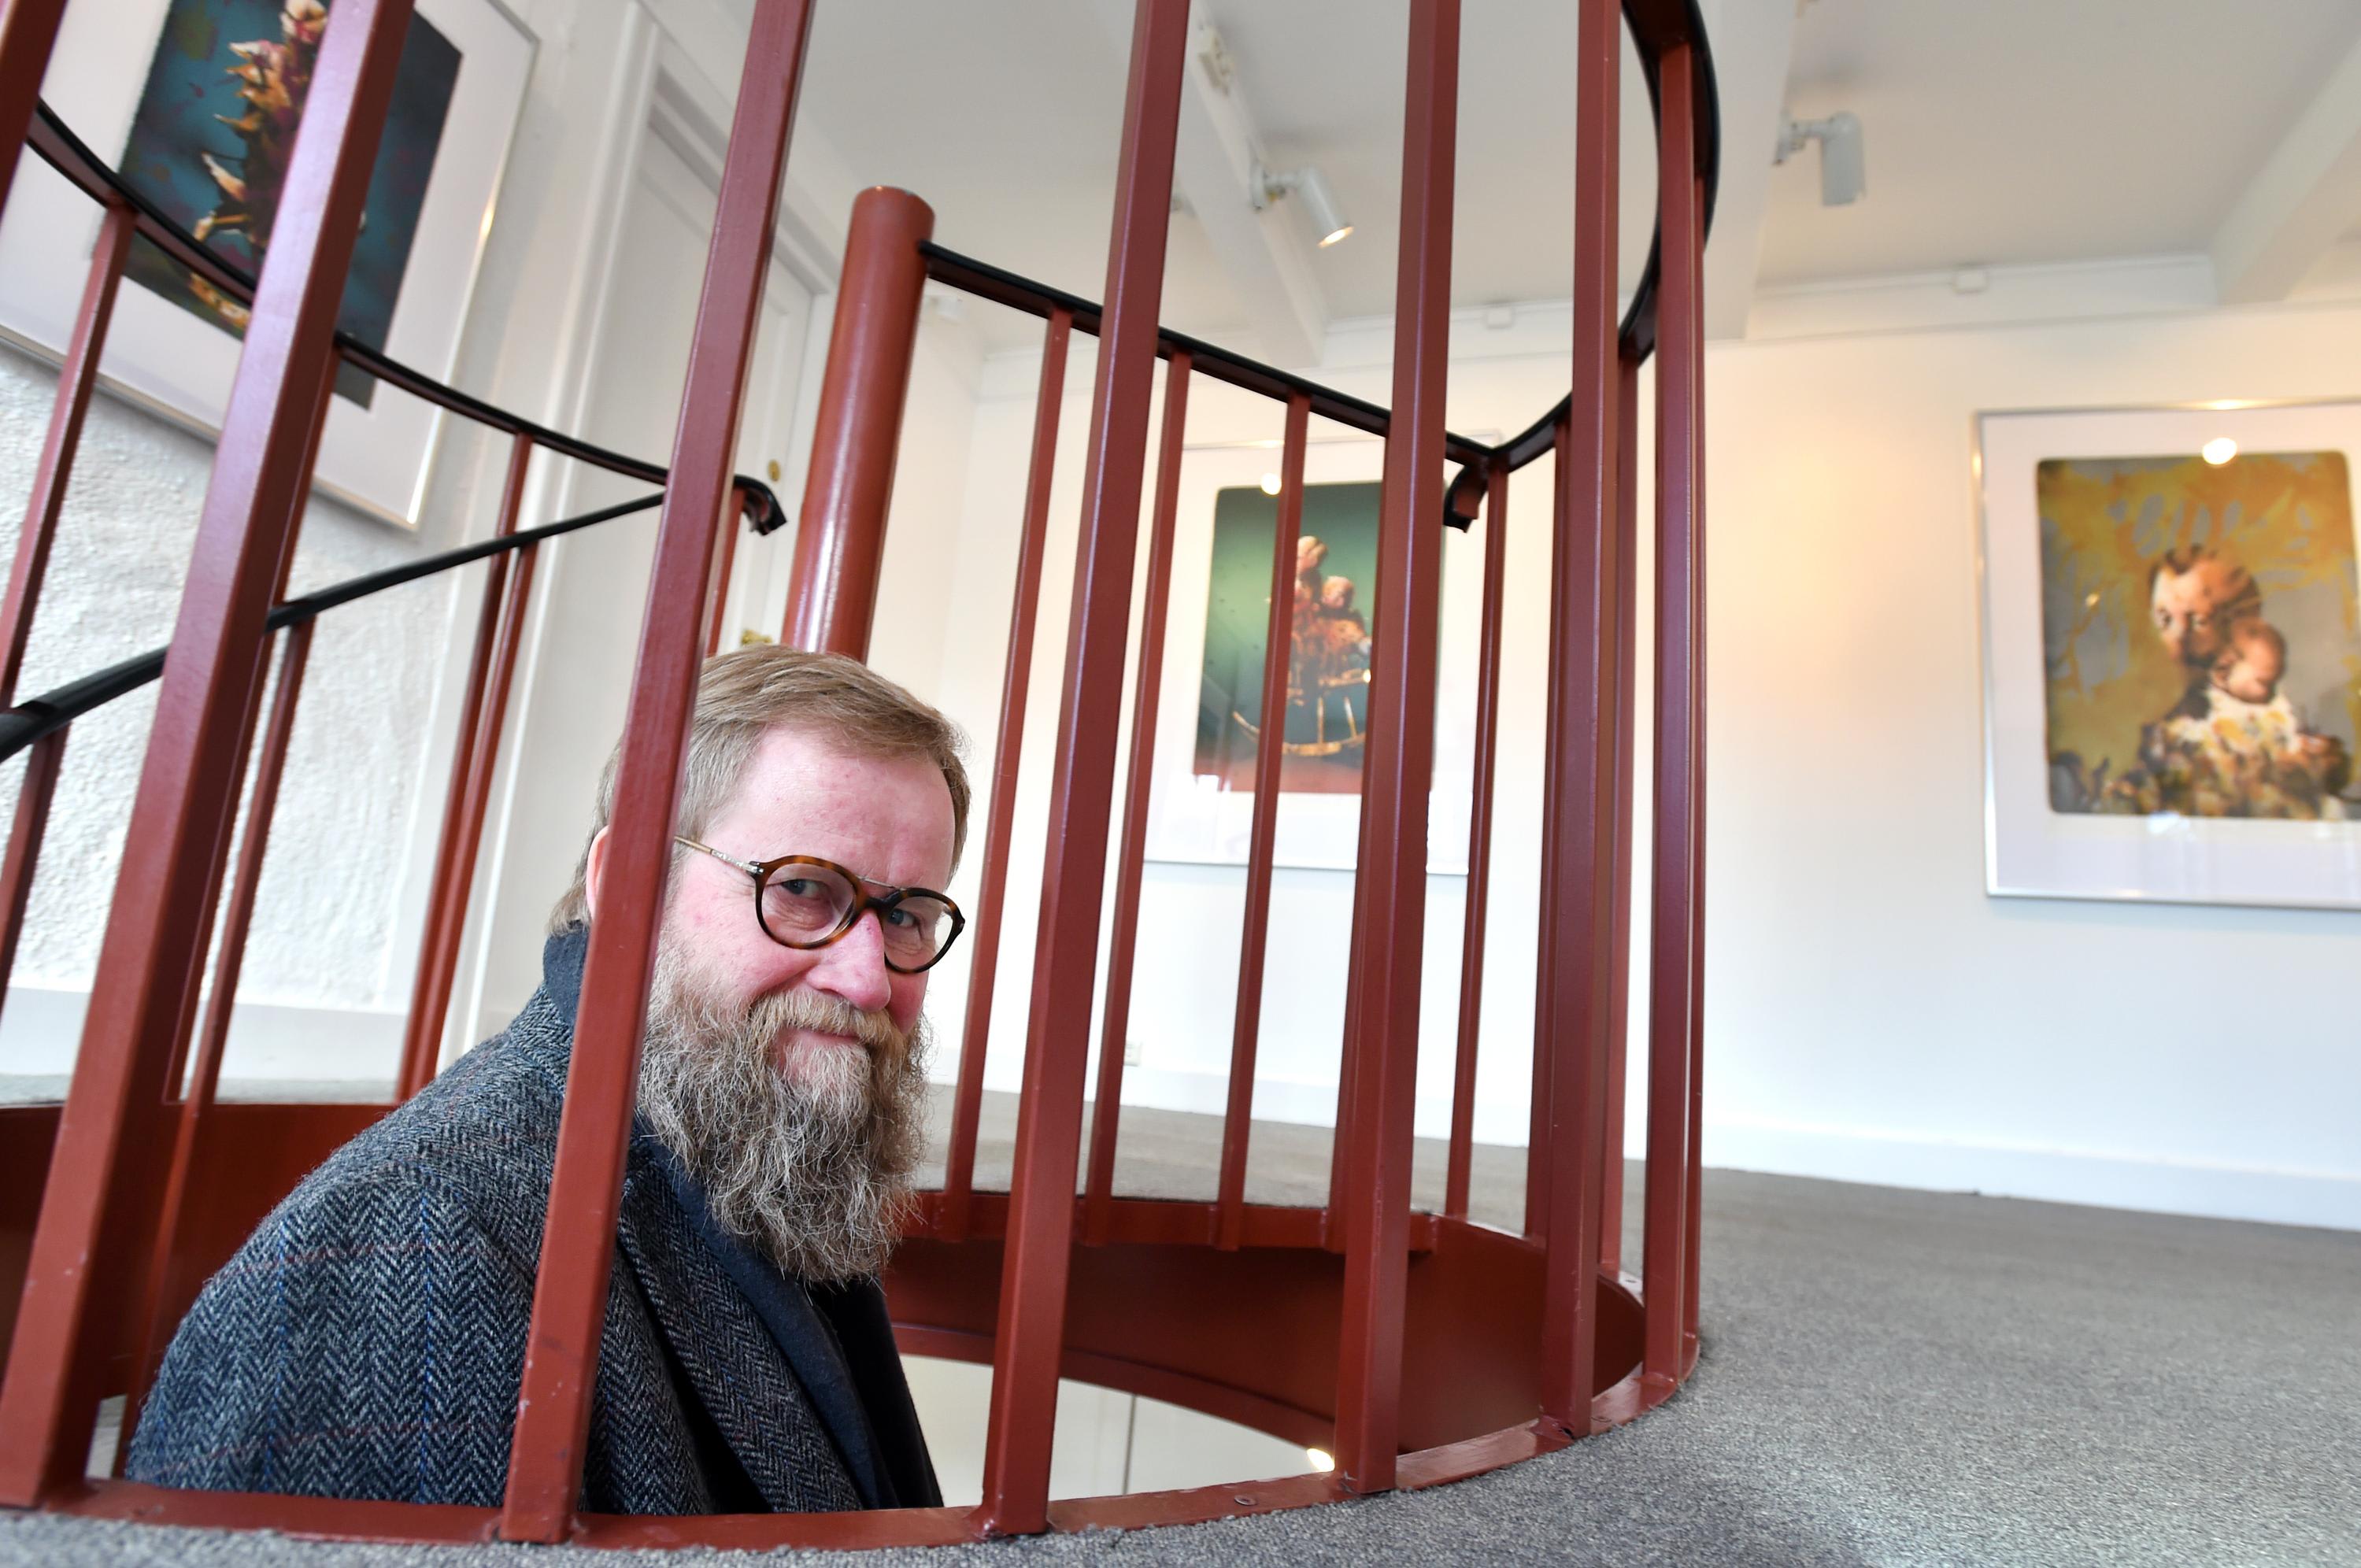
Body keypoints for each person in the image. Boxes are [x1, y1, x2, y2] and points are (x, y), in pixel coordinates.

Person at [128, 648, 964, 1514]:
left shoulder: (759, 1156)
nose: (867, 981)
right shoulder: (414, 1244)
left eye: (905, 914)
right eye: (802, 888)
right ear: (625, 881)